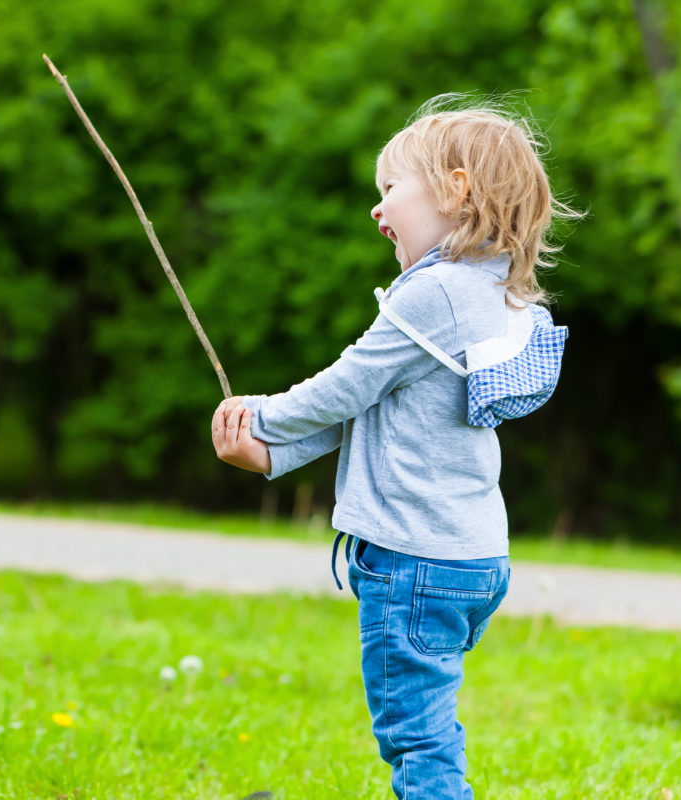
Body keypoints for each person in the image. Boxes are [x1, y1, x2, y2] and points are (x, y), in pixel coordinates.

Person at [211, 99, 579, 799]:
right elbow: (373, 406)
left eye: (391, 189)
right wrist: (271, 455)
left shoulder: (433, 293)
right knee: (427, 720)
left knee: (418, 736)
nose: (378, 209)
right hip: (471, 560)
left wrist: (258, 415)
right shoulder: (494, 293)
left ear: (456, 189)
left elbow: (340, 389)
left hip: (415, 562)